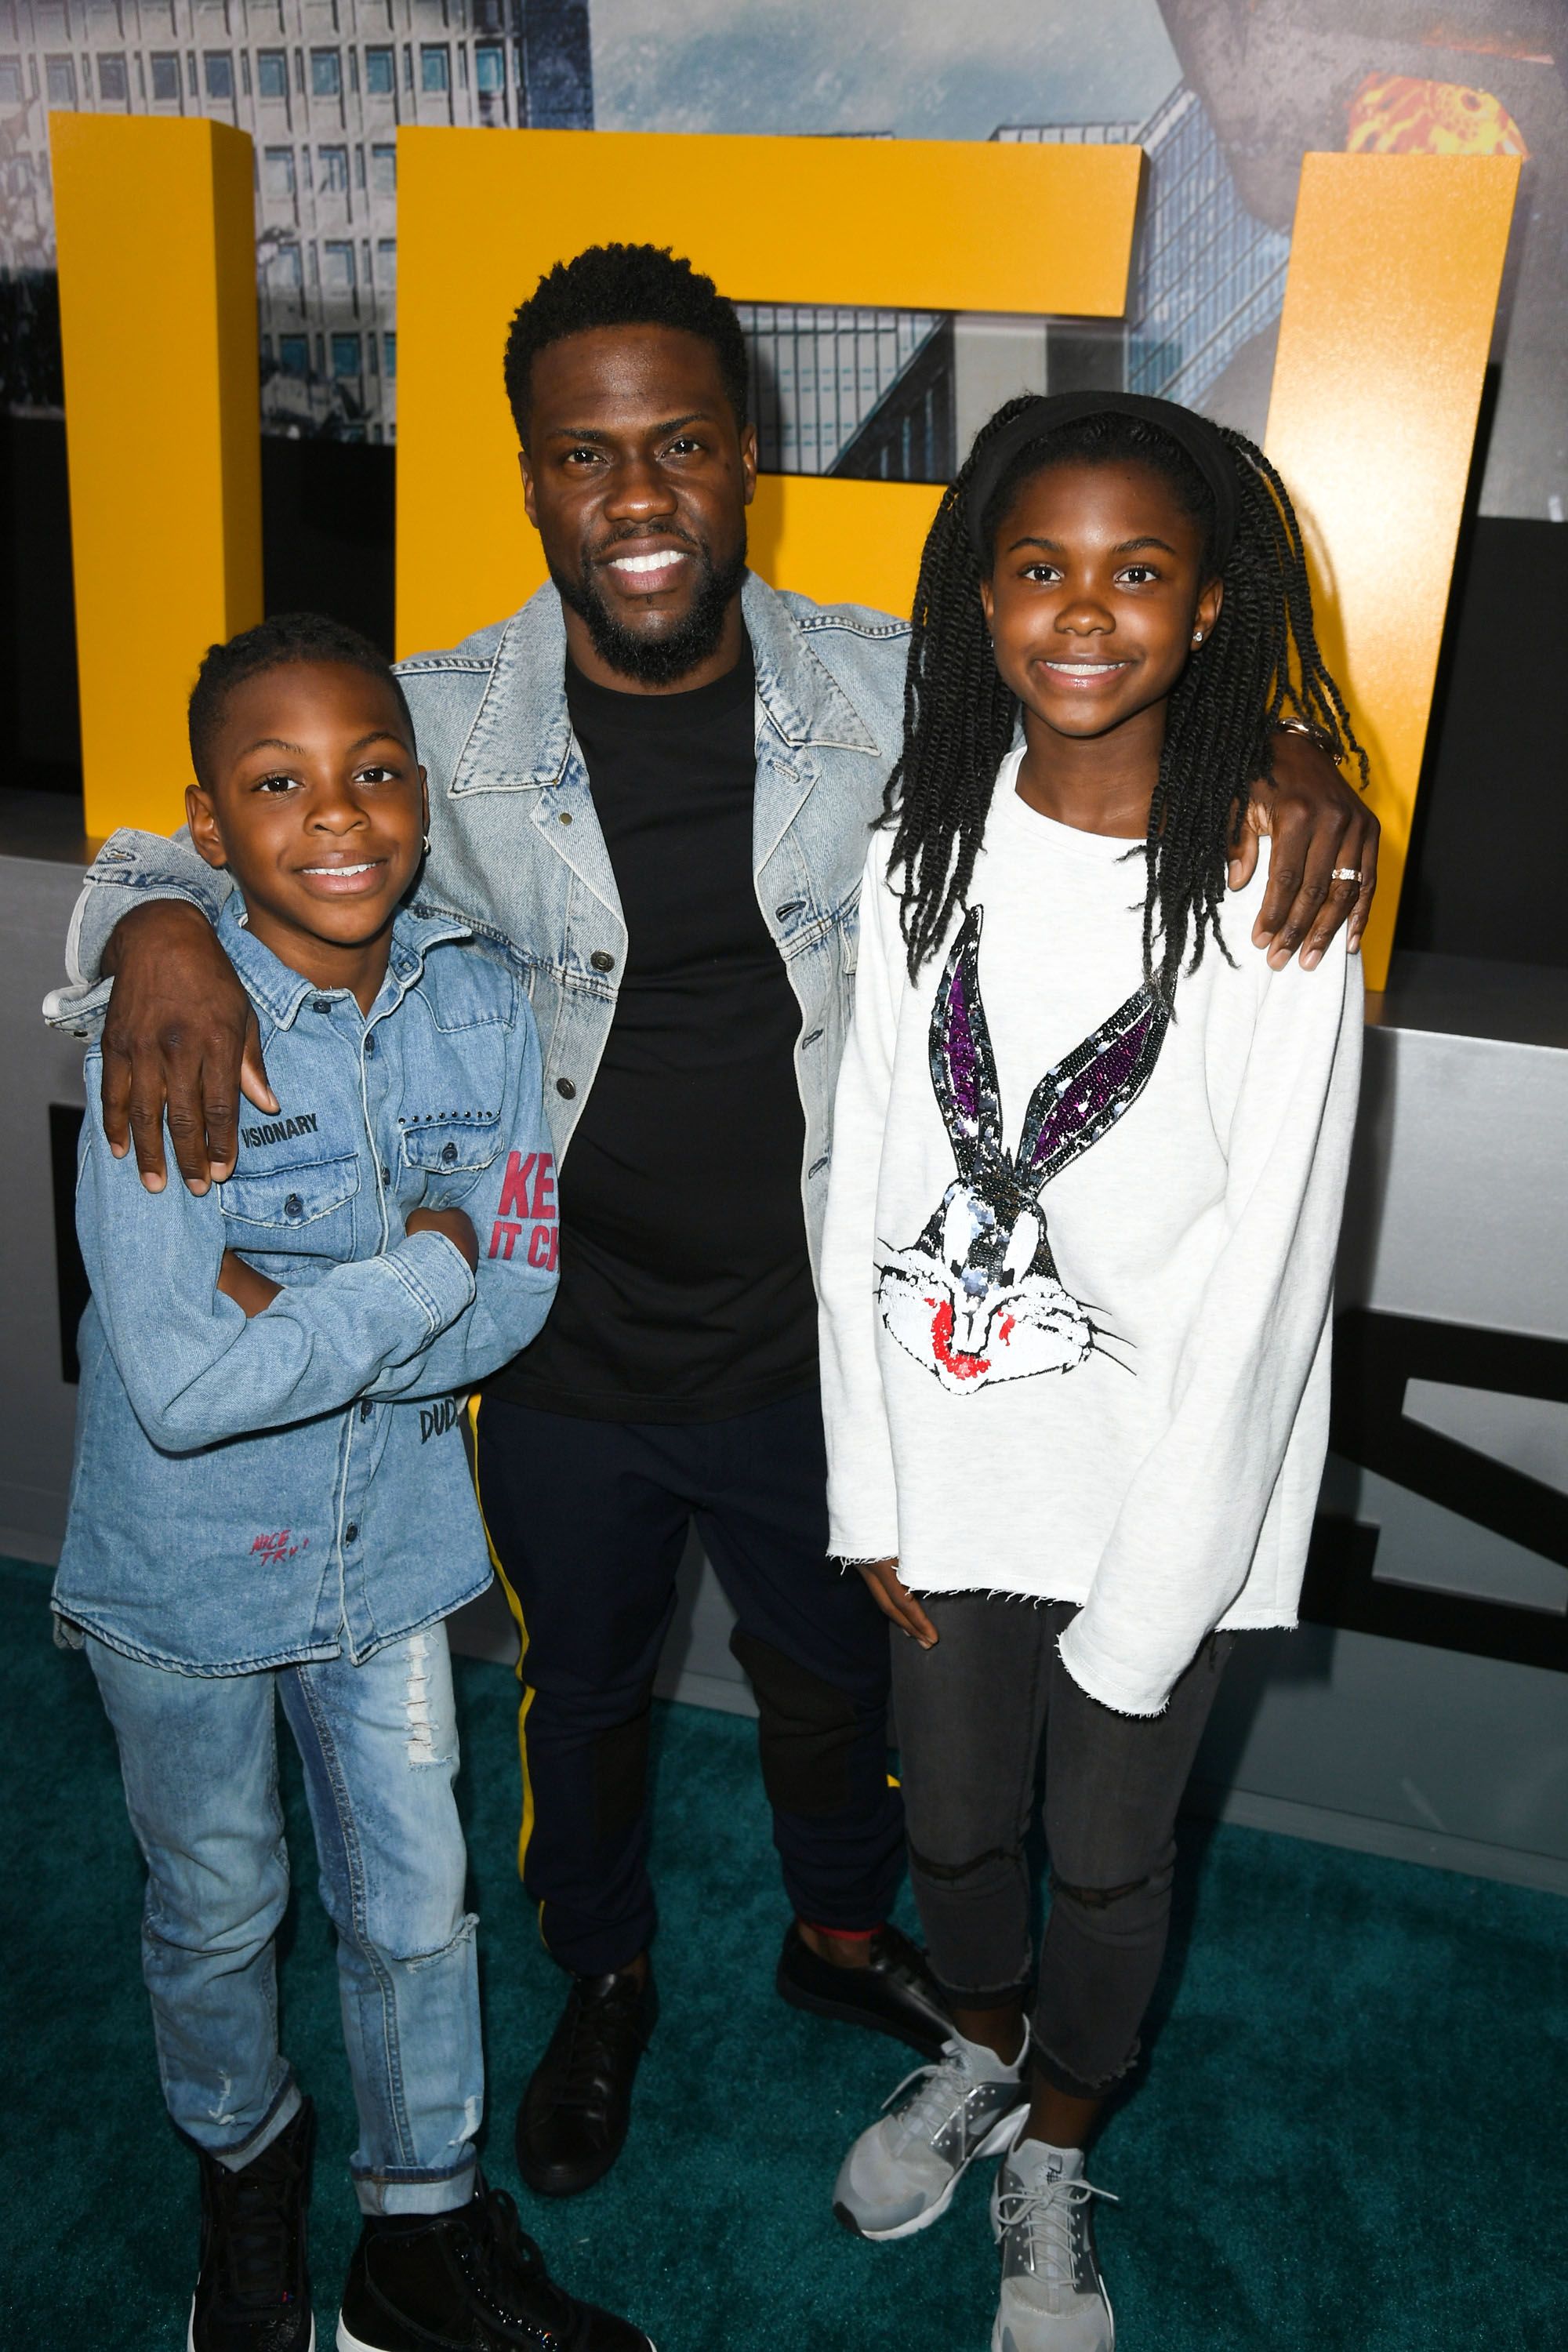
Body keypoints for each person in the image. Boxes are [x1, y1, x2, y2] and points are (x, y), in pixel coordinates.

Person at [45, 246, 1377, 2202]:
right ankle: (606, 1976)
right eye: (586, 455)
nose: (637, 495)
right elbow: (223, 816)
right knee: (578, 1701)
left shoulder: (884, 687)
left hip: (819, 1340)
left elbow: (1099, 694)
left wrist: (1282, 749)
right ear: (529, 478)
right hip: (561, 1346)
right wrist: (154, 920)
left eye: (677, 442)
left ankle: (837, 1935)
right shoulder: (438, 721)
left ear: (745, 450)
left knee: (839, 1691)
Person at [818, 394, 1365, 2352]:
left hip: (1161, 1496)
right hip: (953, 1465)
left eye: (1139, 572)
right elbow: (866, 1167)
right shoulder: (917, 846)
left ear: (1209, 611)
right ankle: (979, 2052)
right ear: (979, 597)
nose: (1082, 610)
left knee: (1109, 1863)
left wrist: (1159, 1591)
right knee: (956, 1834)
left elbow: (1274, 1280)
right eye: (1039, 566)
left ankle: (1056, 2144)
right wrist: (870, 1487)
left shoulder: (1276, 893)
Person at [50, 616, 651, 2352]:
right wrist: (415, 1272)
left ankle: (421, 2228)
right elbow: (181, 1389)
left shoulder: (489, 1004)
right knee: (217, 1905)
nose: (336, 814)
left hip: (391, 1557)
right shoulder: (167, 1028)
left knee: (418, 1909)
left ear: (420, 796)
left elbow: (520, 1279)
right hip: (184, 1580)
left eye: (375, 770)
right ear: (207, 822)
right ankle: (246, 2168)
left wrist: (296, 1311)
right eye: (276, 782)